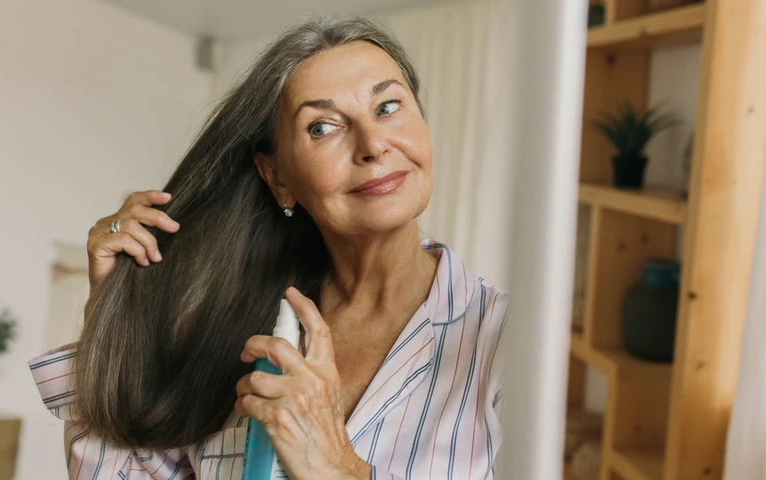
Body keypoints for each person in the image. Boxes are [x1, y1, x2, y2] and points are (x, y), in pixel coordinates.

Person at [29, 15, 508, 480]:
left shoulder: (508, 341)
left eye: (387, 107)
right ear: (277, 177)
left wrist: (337, 467)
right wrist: (116, 318)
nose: (373, 145)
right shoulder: (231, 333)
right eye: (322, 127)